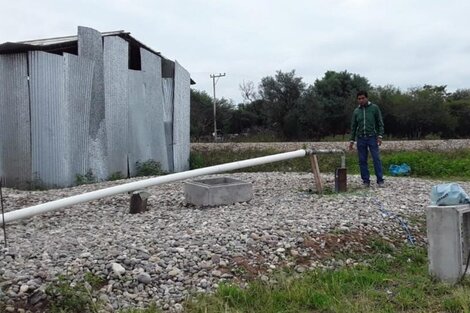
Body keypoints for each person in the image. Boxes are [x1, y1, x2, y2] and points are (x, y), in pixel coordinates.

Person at [348, 90, 385, 187]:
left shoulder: (374, 108)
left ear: (367, 98)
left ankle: (380, 180)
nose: (361, 100)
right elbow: (353, 127)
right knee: (362, 160)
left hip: (372, 137)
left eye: (363, 98)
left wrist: (380, 136)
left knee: (376, 158)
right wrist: (352, 141)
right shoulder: (356, 111)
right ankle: (366, 181)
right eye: (359, 99)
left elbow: (379, 122)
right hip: (360, 138)